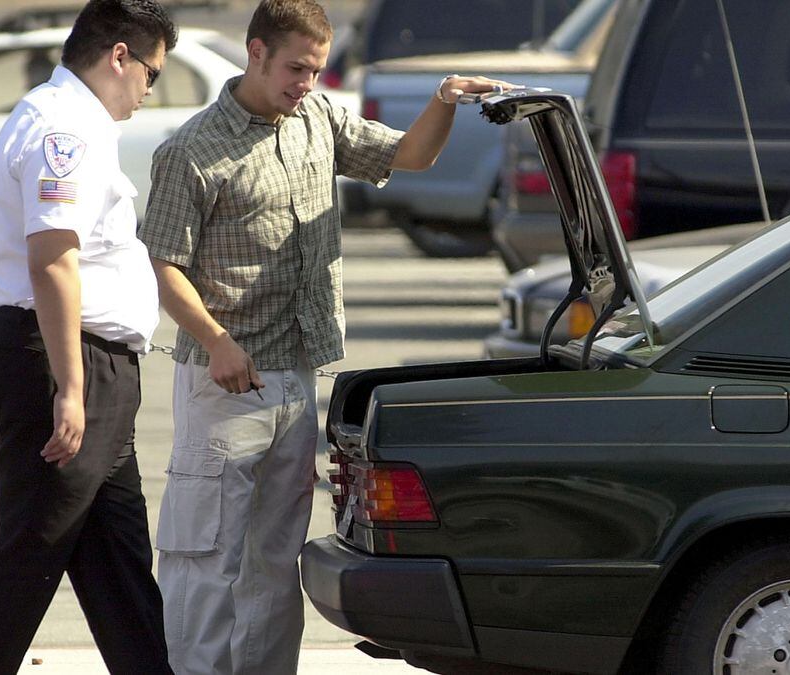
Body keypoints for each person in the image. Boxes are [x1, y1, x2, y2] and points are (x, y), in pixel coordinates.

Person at [137, 1, 511, 672]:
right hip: (225, 382)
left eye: (315, 69)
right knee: (205, 560)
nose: (305, 82)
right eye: (294, 68)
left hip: (293, 379)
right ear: (255, 52)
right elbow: (164, 265)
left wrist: (444, 103)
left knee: (274, 564)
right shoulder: (193, 149)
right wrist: (217, 338)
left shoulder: (317, 118)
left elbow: (410, 154)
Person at [0, 2, 177, 673]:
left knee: (119, 566)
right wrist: (71, 389)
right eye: (151, 74)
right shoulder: (63, 128)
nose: (148, 91)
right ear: (119, 57)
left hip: (89, 366)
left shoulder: (72, 121)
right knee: (28, 557)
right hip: (61, 361)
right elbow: (51, 256)